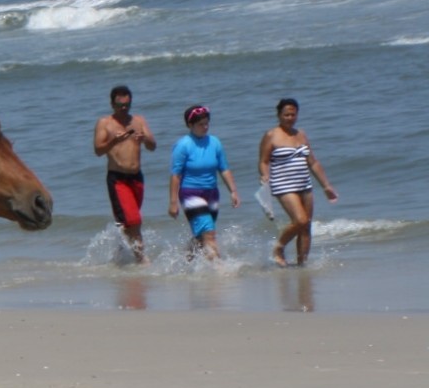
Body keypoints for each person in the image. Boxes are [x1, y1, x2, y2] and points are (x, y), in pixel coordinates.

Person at [257, 97, 337, 267]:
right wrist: (264, 176)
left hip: (304, 184)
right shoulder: (271, 135)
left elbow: (313, 162)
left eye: (293, 114)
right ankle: (278, 248)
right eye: (286, 115)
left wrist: (326, 186)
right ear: (279, 115)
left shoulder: (301, 134)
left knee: (306, 226)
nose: (290, 118)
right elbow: (263, 161)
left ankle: (302, 266)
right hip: (283, 185)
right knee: (300, 220)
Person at [92, 84, 157, 262]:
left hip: (137, 178)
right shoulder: (105, 123)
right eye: (120, 105)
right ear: (112, 104)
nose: (124, 109)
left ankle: (120, 256)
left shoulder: (138, 120)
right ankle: (142, 260)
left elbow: (153, 146)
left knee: (128, 222)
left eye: (127, 105)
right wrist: (114, 141)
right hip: (118, 179)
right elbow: (98, 150)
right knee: (134, 220)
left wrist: (144, 139)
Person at [168, 105, 241, 260]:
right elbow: (176, 176)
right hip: (190, 193)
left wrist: (233, 191)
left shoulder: (215, 142)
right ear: (190, 125)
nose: (205, 127)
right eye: (201, 124)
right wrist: (173, 202)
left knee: (202, 237)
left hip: (212, 193)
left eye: (207, 123)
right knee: (209, 233)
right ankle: (219, 270)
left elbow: (224, 169)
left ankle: (185, 261)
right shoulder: (183, 145)